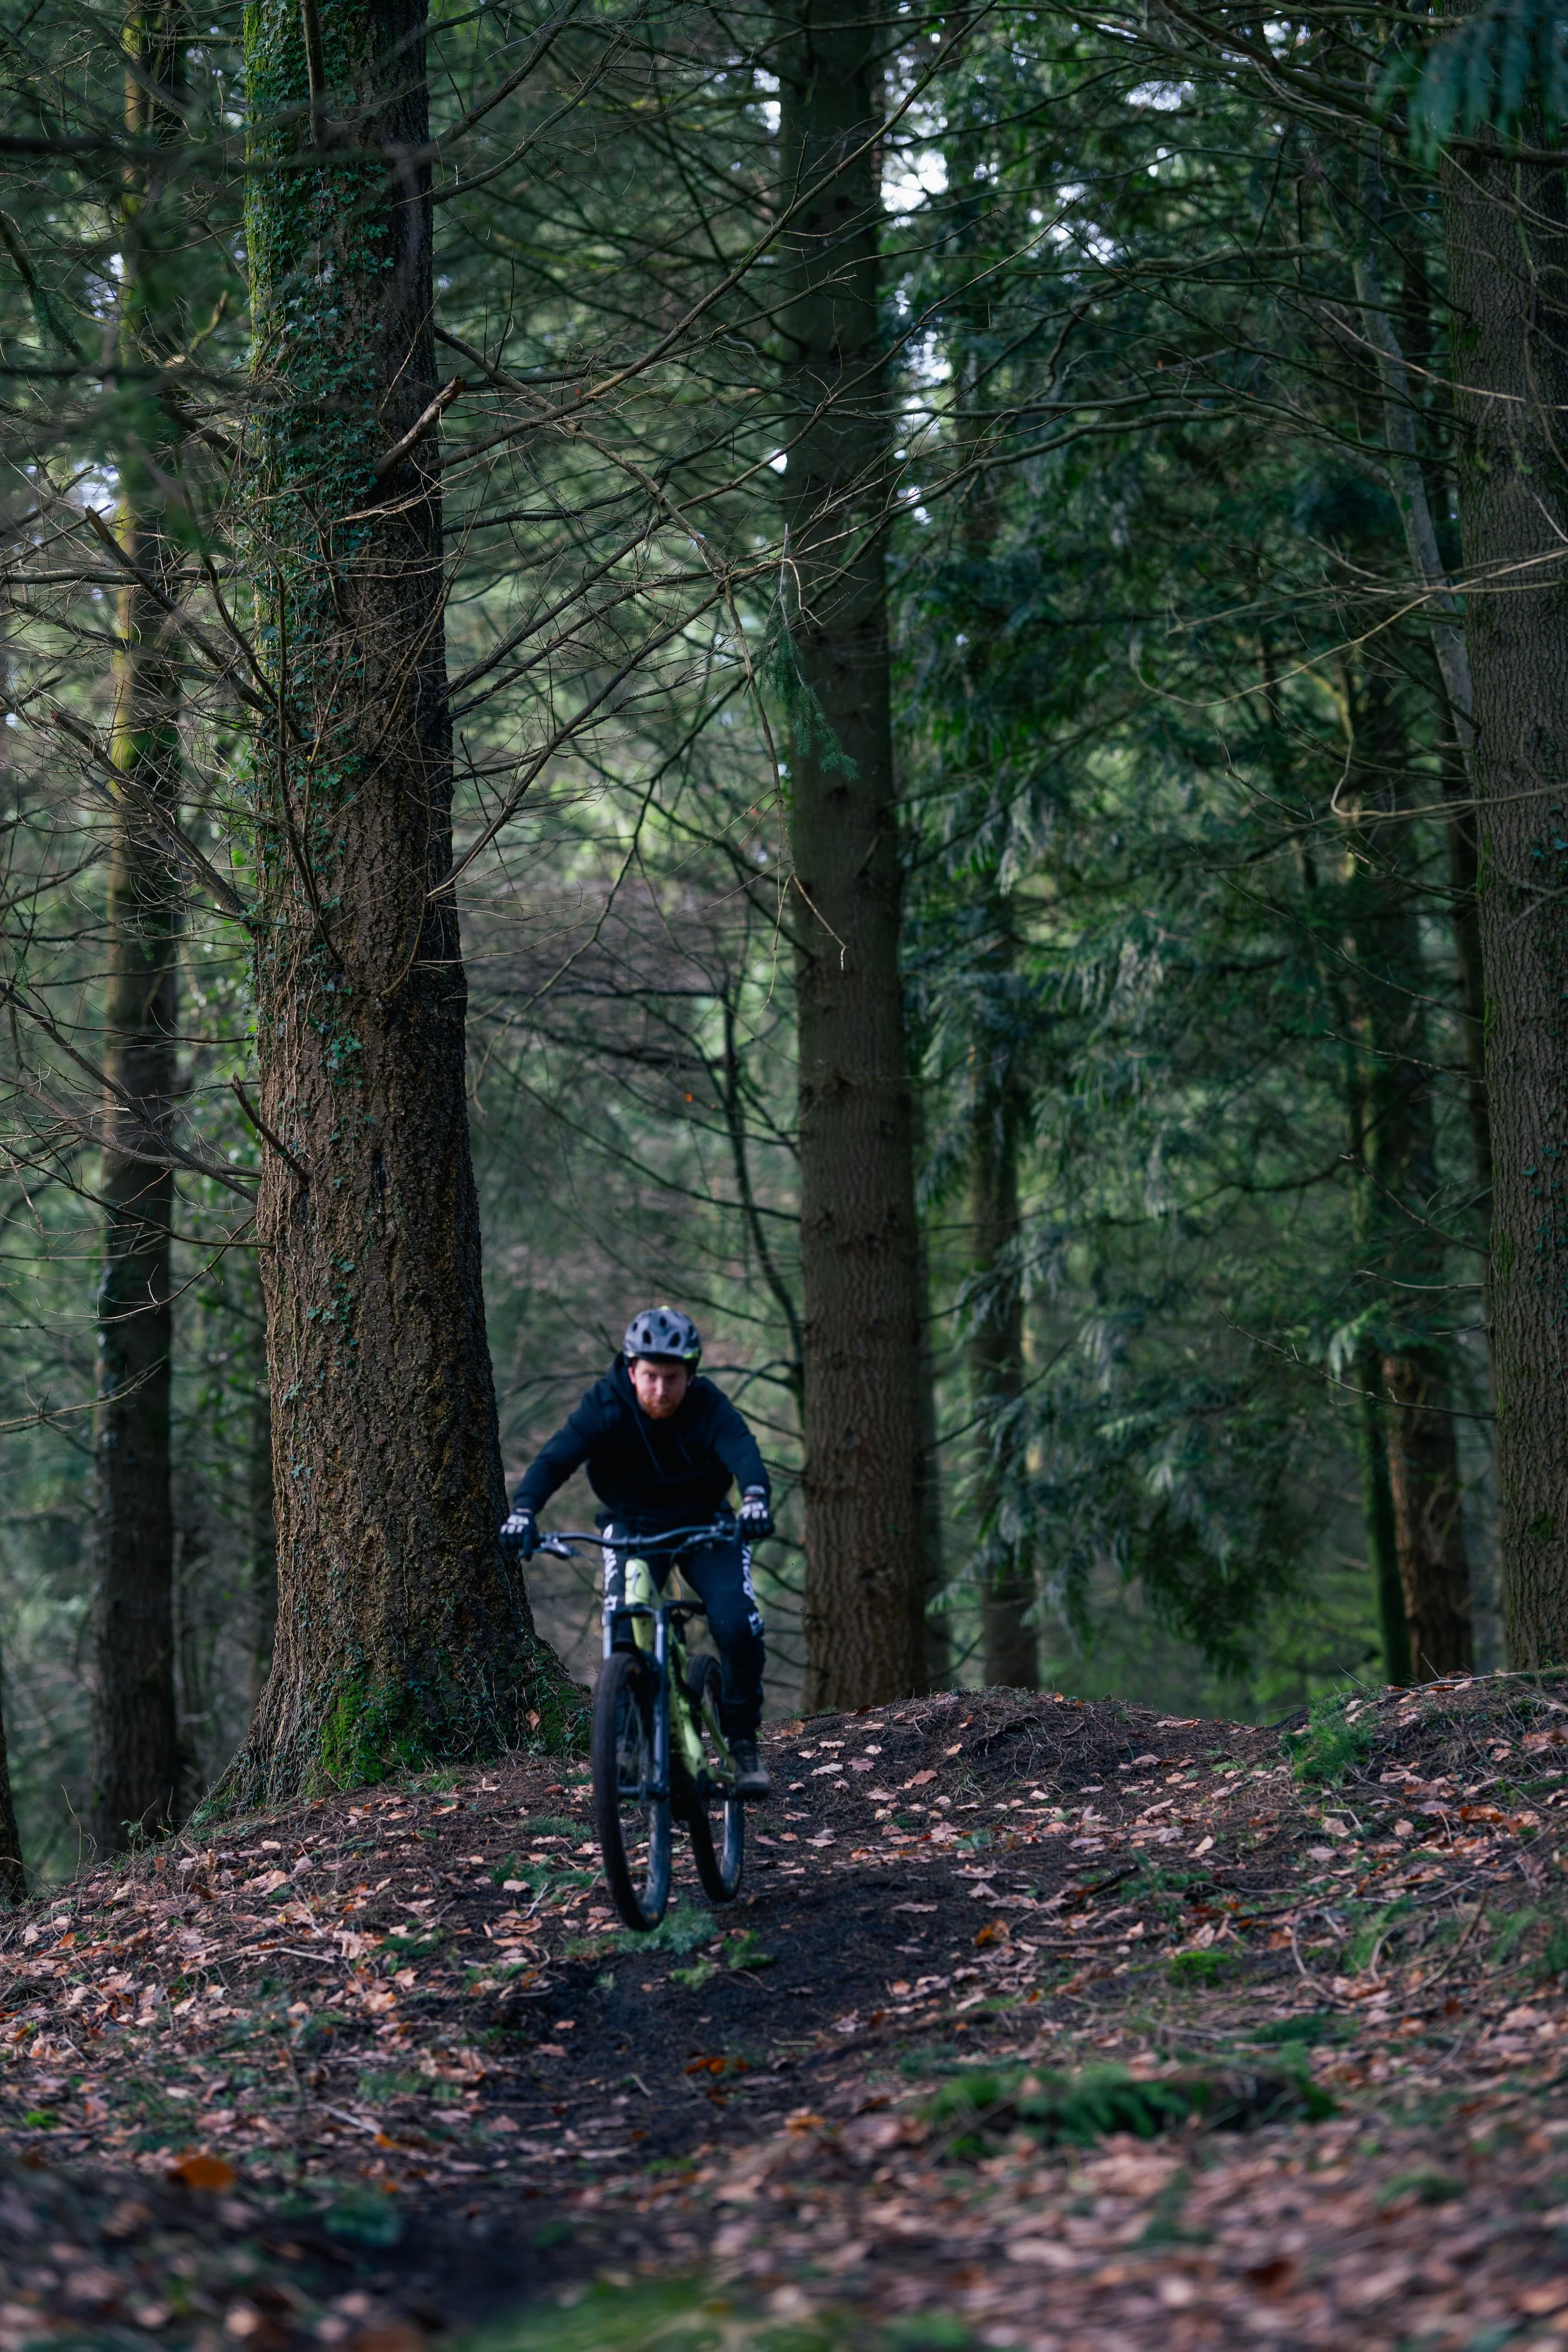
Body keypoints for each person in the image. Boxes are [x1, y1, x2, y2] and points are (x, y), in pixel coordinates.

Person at [502, 1306, 774, 1798]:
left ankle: (742, 1742)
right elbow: (557, 1456)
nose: (661, 1390)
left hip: (705, 1526)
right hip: (632, 1528)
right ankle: (624, 1745)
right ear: (632, 1371)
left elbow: (742, 1450)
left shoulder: (708, 1405)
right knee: (624, 1622)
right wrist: (524, 1510)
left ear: (690, 1377)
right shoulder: (606, 1403)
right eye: (650, 1377)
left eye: (673, 1378)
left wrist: (754, 1498)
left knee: (736, 1624)